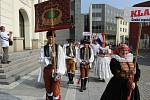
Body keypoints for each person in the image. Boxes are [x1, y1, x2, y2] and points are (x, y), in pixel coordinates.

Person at [39, 30, 66, 100]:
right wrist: (49, 58)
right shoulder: (43, 48)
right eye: (49, 37)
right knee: (48, 89)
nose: (51, 39)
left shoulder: (59, 48)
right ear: (47, 38)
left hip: (56, 70)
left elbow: (61, 60)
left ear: (55, 38)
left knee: (56, 89)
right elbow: (41, 60)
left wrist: (59, 72)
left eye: (52, 37)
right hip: (47, 70)